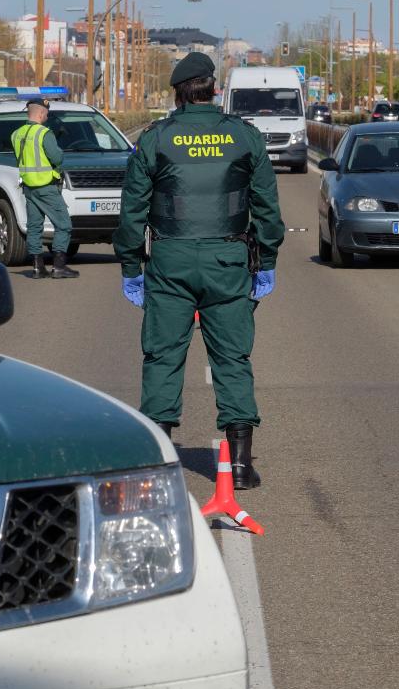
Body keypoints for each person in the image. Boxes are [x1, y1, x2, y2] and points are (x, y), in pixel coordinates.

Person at [113, 52, 285, 489]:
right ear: (214, 90)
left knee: (163, 357)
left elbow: (132, 213)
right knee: (232, 357)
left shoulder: (156, 139)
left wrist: (132, 267)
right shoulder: (245, 137)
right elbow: (266, 207)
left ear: (177, 93)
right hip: (228, 261)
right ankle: (241, 466)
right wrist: (266, 261)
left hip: (169, 262)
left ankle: (159, 464)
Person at [11, 97, 79, 278]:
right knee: (64, 225)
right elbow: (57, 158)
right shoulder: (43, 133)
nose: (47, 117)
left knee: (34, 227)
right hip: (46, 187)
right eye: (46, 114)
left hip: (28, 188)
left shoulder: (16, 134)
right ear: (41, 113)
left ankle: (37, 267)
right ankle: (59, 266)